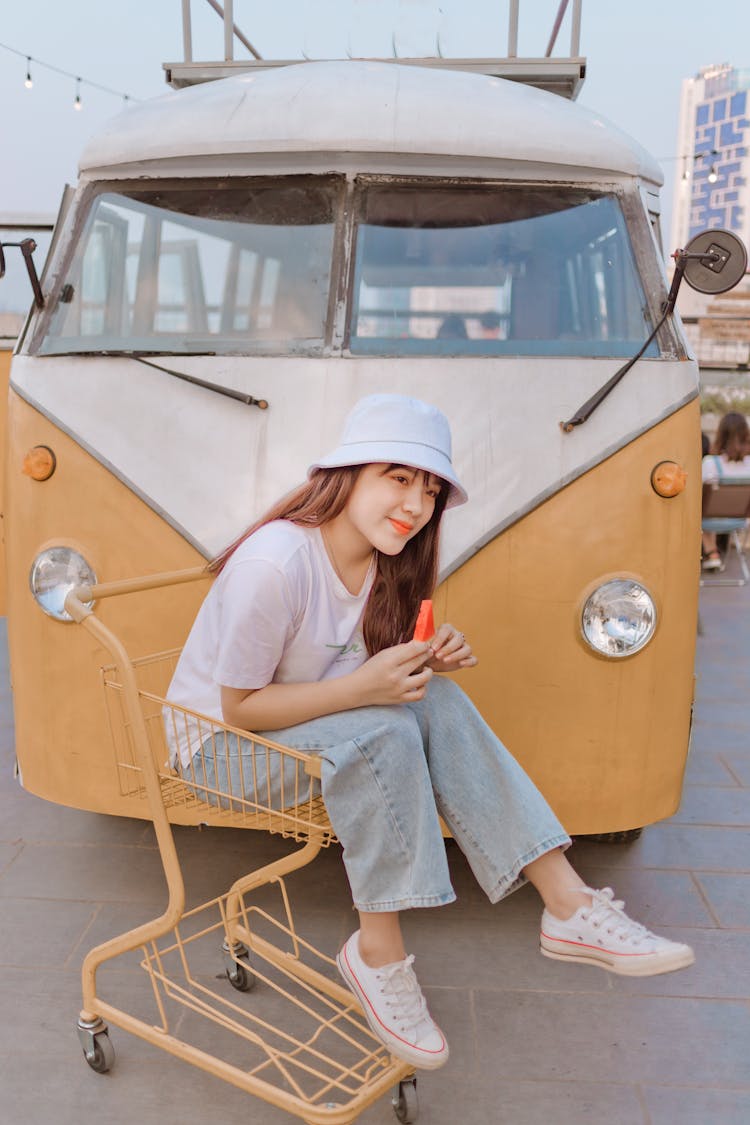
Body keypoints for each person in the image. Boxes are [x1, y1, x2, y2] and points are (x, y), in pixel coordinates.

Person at [166, 393, 695, 1072]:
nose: (416, 504)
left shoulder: (383, 558)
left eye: (430, 487)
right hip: (216, 747)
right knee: (382, 732)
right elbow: (239, 708)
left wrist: (419, 660)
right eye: (398, 476)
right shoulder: (275, 566)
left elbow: (340, 668)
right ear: (348, 474)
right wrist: (367, 688)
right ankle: (376, 954)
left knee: (433, 699)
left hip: (298, 727)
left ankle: (569, 903)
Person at [701, 411, 750, 571]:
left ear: (720, 434)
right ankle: (712, 553)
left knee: (701, 511)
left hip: (707, 521)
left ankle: (711, 552)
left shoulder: (710, 463)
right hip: (739, 521)